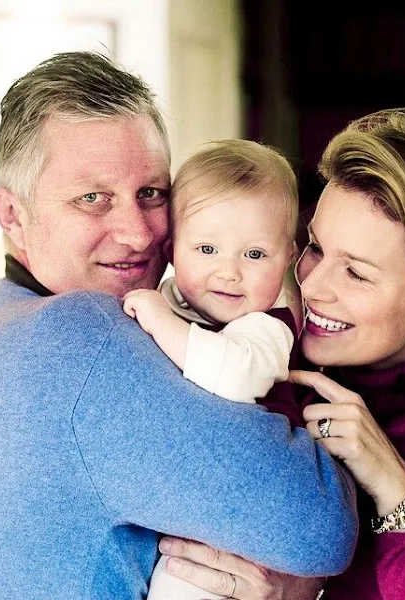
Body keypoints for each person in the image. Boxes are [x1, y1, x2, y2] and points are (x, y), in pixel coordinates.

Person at [0, 50, 358, 599]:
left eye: (151, 194)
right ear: (13, 215)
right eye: (93, 199)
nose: (139, 234)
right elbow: (321, 527)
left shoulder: (7, 330)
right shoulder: (76, 338)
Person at [158, 107, 405, 599]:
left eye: (358, 273)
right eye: (316, 247)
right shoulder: (272, 354)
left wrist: (397, 494)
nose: (312, 284)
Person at [123, 138, 303, 600]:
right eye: (206, 248)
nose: (229, 272)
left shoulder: (268, 329)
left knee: (184, 584)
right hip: (193, 494)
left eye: (256, 255)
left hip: (247, 517)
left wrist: (159, 321)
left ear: (289, 258)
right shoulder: (171, 301)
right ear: (171, 246)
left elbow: (233, 375)